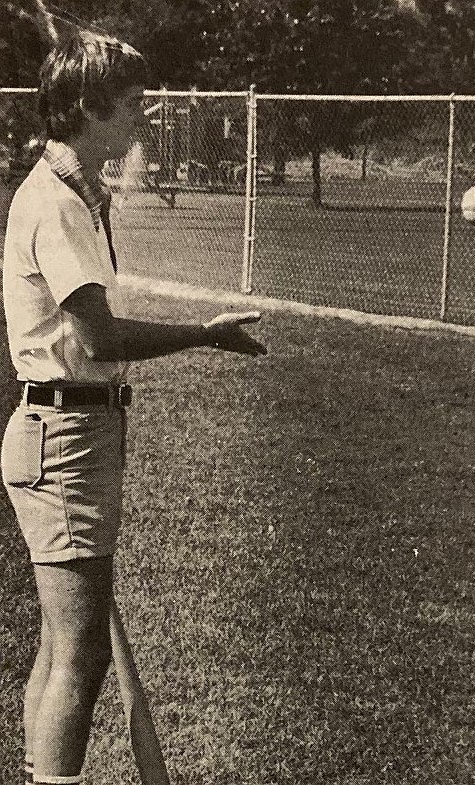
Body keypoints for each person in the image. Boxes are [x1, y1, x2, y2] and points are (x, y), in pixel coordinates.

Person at [2, 32, 266, 785]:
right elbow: (101, 334)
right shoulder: (53, 203)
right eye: (131, 107)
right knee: (79, 656)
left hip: (75, 429)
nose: (142, 122)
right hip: (64, 433)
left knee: (61, 646)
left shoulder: (74, 194)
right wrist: (203, 336)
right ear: (87, 109)